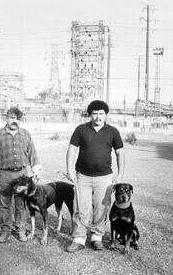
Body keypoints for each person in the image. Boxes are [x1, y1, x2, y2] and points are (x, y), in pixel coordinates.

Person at [65, 100, 125, 252]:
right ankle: (78, 239)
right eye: (95, 114)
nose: (98, 117)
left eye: (101, 114)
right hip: (82, 176)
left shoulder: (113, 131)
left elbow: (120, 153)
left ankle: (96, 238)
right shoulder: (81, 129)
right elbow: (72, 149)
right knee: (80, 207)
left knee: (101, 207)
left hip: (104, 177)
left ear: (105, 115)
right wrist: (70, 170)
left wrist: (120, 175)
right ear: (90, 114)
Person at [0, 107, 42, 243]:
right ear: (7, 118)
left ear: (20, 120)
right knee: (5, 204)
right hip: (4, 174)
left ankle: (20, 229)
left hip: (22, 175)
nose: (14, 121)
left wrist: (36, 169)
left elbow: (32, 152)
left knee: (20, 204)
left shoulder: (26, 134)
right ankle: (5, 230)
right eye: (11, 118)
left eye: (17, 118)